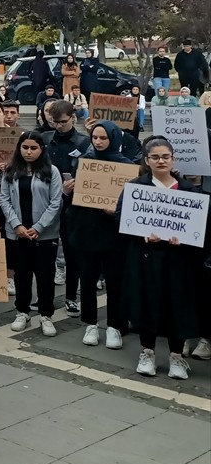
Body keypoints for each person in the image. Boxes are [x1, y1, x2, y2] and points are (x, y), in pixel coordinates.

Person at [119, 138, 202, 380]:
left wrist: (184, 238)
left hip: (179, 260)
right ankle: (148, 352)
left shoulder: (188, 191)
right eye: (155, 157)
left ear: (173, 159)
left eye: (165, 156)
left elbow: (200, 228)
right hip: (147, 259)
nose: (161, 161)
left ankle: (177, 356)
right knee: (149, 303)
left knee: (177, 304)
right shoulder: (137, 188)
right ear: (147, 161)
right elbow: (121, 219)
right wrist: (142, 234)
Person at [67, 121, 132, 350]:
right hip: (86, 231)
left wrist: (116, 211)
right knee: (87, 281)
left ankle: (114, 326)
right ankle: (90, 324)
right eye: (95, 137)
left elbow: (132, 206)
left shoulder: (127, 167)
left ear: (113, 138)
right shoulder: (85, 163)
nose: (98, 142)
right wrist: (69, 192)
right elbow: (76, 199)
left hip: (114, 235)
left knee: (115, 282)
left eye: (103, 138)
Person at [1, 130, 64, 337]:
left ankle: (46, 315)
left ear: (41, 149)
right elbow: (4, 200)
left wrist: (39, 227)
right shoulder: (11, 170)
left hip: (44, 234)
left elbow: (56, 202)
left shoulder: (51, 171)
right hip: (18, 233)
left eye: (33, 148)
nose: (29, 152)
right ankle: (22, 311)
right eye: (25, 147)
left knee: (45, 276)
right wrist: (17, 225)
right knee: (22, 275)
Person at [42, 100, 90, 316]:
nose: (58, 126)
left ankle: (71, 297)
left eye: (62, 122)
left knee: (72, 254)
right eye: (54, 122)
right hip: (47, 203)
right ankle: (44, 298)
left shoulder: (84, 142)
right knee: (45, 255)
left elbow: (94, 174)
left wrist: (78, 183)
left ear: (73, 118)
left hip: (74, 205)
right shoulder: (45, 139)